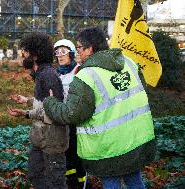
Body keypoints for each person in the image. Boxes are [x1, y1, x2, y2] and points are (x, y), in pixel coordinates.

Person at [43, 27, 156, 189]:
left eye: (80, 48)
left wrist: (49, 102)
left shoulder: (86, 76)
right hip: (136, 140)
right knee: (135, 182)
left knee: (112, 184)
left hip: (109, 148)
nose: (77, 52)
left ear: (90, 49)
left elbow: (71, 114)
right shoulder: (129, 63)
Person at [8, 32, 69, 189]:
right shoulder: (40, 74)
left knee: (55, 183)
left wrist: (26, 113)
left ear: (35, 55)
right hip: (40, 140)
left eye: (25, 51)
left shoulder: (48, 76)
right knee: (36, 175)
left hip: (52, 142)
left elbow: (54, 111)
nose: (23, 54)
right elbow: (44, 103)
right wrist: (27, 100)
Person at [54, 39, 87, 189]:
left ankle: (82, 184)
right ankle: (70, 183)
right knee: (65, 156)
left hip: (76, 122)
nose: (60, 56)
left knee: (77, 156)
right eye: (57, 53)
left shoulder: (79, 70)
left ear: (72, 54)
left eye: (63, 52)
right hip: (61, 121)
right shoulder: (55, 74)